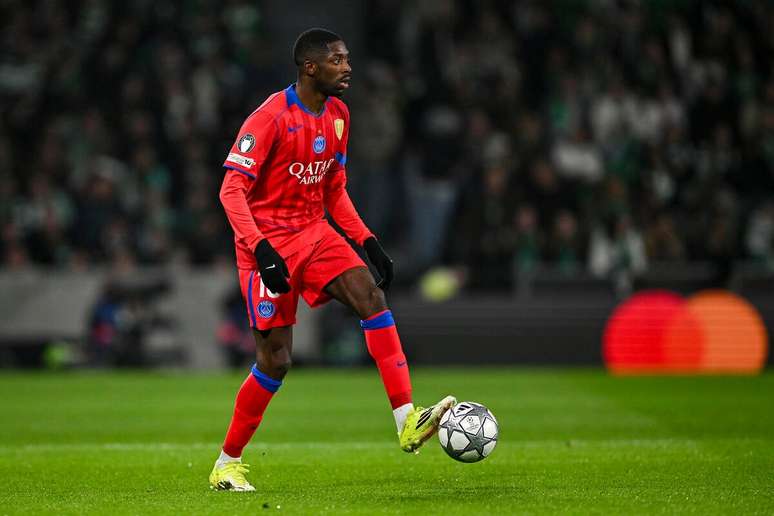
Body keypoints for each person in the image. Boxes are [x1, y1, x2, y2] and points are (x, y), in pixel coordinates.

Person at [209, 28, 455, 492]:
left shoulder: (339, 115)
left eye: (347, 59)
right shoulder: (269, 118)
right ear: (310, 67)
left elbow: (334, 187)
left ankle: (407, 419)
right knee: (275, 360)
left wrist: (367, 240)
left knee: (372, 296)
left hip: (315, 232)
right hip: (269, 242)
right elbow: (230, 190)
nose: (347, 68)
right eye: (338, 60)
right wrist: (260, 248)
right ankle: (227, 462)